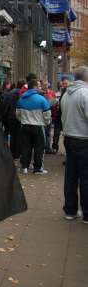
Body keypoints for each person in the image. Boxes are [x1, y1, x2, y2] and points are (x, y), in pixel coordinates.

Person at [60, 66, 88, 223]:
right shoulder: (85, 93)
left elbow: (63, 117)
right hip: (83, 139)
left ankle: (70, 210)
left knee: (71, 176)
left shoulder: (66, 95)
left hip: (69, 138)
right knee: (85, 177)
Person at [16, 79, 51, 175]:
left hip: (25, 126)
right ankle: (38, 168)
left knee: (25, 147)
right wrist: (46, 123)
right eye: (39, 86)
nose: (40, 87)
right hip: (38, 126)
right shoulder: (41, 99)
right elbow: (47, 115)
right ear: (35, 87)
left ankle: (24, 167)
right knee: (39, 147)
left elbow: (18, 114)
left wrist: (23, 121)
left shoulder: (21, 99)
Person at [53, 76, 70, 152]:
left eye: (66, 83)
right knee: (56, 133)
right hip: (59, 115)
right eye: (63, 83)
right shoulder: (59, 92)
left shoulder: (70, 92)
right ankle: (55, 147)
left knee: (66, 134)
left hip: (66, 116)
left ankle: (66, 150)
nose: (64, 85)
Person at [41, 80, 57, 154]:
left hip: (50, 114)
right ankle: (44, 147)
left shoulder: (51, 92)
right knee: (43, 132)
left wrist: (53, 103)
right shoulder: (39, 93)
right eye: (44, 84)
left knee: (48, 132)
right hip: (41, 115)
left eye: (47, 84)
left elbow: (55, 102)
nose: (46, 86)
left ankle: (47, 147)